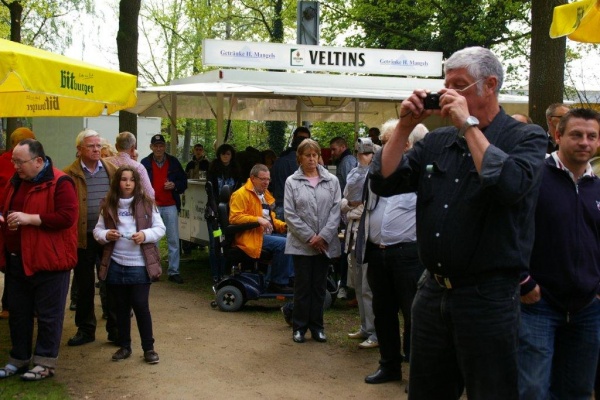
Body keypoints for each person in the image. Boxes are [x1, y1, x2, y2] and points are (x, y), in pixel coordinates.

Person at [369, 46, 547, 399]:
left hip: (488, 298)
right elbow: (384, 181)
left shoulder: (526, 137)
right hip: (432, 292)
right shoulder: (437, 141)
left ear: (490, 85)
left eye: (459, 85)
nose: (448, 92)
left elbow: (508, 186)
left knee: (491, 392)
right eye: (446, 84)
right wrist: (404, 126)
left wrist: (468, 125)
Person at [518, 108, 600, 399]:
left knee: (578, 389)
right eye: (576, 135)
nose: (584, 142)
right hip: (538, 304)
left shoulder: (597, 187)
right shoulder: (533, 177)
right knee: (533, 390)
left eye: (591, 136)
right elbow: (509, 231)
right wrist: (523, 281)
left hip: (588, 307)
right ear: (557, 135)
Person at [356, 121, 427, 385]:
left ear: (407, 145)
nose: (384, 147)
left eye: (390, 142)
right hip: (377, 253)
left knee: (414, 315)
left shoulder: (419, 175)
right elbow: (354, 197)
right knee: (383, 313)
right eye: (384, 142)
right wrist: (363, 167)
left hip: (408, 255)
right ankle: (389, 366)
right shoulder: (377, 174)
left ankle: (417, 373)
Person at [0, 138, 78, 380]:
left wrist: (30, 219)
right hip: (18, 260)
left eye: (20, 162)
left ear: (38, 161)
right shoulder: (16, 182)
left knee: (48, 316)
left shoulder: (61, 182)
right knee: (18, 313)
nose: (15, 166)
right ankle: (19, 358)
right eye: (14, 161)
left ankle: (45, 363)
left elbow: (67, 217)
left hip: (49, 261)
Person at [93, 166, 165, 365]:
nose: (127, 183)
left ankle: (149, 348)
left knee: (141, 305)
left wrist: (144, 235)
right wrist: (106, 234)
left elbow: (160, 228)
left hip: (140, 264)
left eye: (131, 180)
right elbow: (97, 231)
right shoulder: (108, 204)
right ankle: (124, 346)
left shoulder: (147, 203)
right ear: (117, 182)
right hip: (115, 263)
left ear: (136, 183)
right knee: (121, 308)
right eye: (123, 179)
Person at [64, 129, 119, 347]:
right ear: (79, 150)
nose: (96, 150)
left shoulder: (111, 170)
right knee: (85, 285)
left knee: (112, 282)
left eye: (98, 146)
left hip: (108, 235)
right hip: (83, 237)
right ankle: (85, 329)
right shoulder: (69, 174)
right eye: (91, 146)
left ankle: (116, 329)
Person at [284, 139, 341, 343]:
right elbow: (290, 214)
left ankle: (317, 327)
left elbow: (336, 211)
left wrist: (323, 236)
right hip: (301, 244)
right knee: (302, 287)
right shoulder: (291, 181)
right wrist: (310, 237)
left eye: (314, 155)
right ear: (299, 157)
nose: (311, 159)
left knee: (319, 286)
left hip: (325, 244)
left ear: (319, 157)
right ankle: (299, 327)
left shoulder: (332, 181)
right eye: (307, 155)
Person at [229, 164, 293, 293]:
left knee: (294, 239)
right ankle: (278, 282)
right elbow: (234, 218)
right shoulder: (240, 194)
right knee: (285, 244)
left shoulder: (264, 195)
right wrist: (257, 219)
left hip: (265, 235)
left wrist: (285, 226)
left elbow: (271, 219)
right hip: (250, 236)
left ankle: (289, 278)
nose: (266, 182)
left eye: (268, 179)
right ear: (253, 178)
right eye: (263, 179)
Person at [342, 140, 380, 350]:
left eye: (367, 153)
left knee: (367, 287)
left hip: (367, 234)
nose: (362, 156)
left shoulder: (377, 172)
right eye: (360, 152)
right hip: (354, 232)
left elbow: (365, 203)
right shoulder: (355, 172)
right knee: (358, 284)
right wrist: (351, 206)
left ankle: (375, 332)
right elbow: (348, 198)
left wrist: (352, 206)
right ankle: (366, 327)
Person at [141, 134, 187, 284]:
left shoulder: (173, 162)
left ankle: (174, 271)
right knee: (153, 240)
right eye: (156, 146)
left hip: (170, 205)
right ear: (151, 147)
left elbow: (183, 181)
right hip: (152, 206)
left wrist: (174, 185)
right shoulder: (145, 163)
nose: (159, 148)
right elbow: (139, 184)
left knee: (173, 239)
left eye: (161, 145)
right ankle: (154, 271)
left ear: (165, 147)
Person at [0, 127, 36, 320]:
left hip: (29, 221)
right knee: (10, 263)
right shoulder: (3, 162)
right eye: (29, 141)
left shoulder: (35, 163)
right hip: (7, 222)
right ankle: (9, 305)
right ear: (16, 144)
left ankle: (29, 305)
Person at [206, 143, 242, 282]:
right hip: (214, 215)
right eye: (223, 154)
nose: (225, 156)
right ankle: (215, 274)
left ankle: (226, 273)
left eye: (228, 154)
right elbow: (210, 192)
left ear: (232, 155)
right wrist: (215, 211)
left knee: (228, 243)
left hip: (231, 214)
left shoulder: (236, 170)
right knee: (215, 243)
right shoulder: (213, 170)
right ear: (219, 155)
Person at [329, 136, 357, 300]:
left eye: (334, 149)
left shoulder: (347, 162)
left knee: (347, 249)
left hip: (348, 211)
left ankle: (344, 286)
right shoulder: (345, 161)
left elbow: (349, 189)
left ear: (343, 147)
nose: (332, 152)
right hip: (345, 210)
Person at [270, 127, 311, 220]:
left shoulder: (278, 161)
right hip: (295, 210)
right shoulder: (301, 164)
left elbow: (272, 183)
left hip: (279, 207)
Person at [104, 131, 155, 199]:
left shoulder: (105, 163)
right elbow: (149, 193)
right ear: (133, 148)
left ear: (116, 146)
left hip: (109, 202)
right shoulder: (138, 167)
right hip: (132, 204)